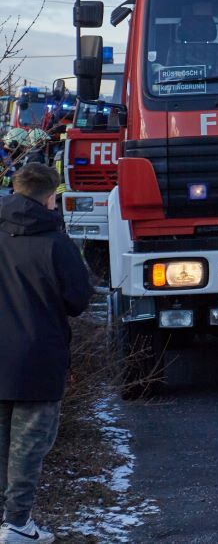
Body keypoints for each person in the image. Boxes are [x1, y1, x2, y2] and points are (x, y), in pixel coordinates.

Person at [1, 162, 92, 544]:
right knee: (28, 449)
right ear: (51, 198)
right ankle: (17, 523)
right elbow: (78, 301)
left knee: (3, 445)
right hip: (40, 357)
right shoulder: (56, 243)